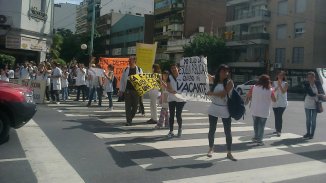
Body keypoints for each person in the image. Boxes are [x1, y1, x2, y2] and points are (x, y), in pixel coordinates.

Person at [206, 64, 236, 160]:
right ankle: (211, 148)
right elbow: (205, 76)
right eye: (223, 71)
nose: (225, 73)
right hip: (213, 107)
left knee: (227, 131)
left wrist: (212, 93)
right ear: (219, 72)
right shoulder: (214, 80)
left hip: (224, 108)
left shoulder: (230, 82)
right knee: (212, 129)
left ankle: (229, 152)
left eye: (227, 71)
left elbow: (223, 94)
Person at [246, 74, 276, 146]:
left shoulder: (253, 87)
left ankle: (256, 137)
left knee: (255, 124)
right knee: (261, 126)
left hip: (255, 109)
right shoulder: (270, 90)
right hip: (264, 111)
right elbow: (274, 100)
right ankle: (260, 140)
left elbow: (248, 95)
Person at [119, 56, 143, 126]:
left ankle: (130, 117)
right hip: (127, 90)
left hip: (136, 90)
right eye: (129, 60)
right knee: (128, 106)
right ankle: (128, 121)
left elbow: (141, 81)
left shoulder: (139, 69)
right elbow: (122, 80)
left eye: (130, 60)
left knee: (135, 106)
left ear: (134, 61)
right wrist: (121, 90)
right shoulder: (126, 69)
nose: (129, 61)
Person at [166, 64, 186, 138]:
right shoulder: (169, 77)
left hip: (181, 98)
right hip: (172, 98)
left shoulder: (183, 76)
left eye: (175, 68)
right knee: (171, 115)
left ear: (178, 68)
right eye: (172, 68)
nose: (173, 69)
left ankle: (180, 129)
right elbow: (168, 88)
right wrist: (171, 91)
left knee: (178, 114)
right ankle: (171, 131)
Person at [303, 72, 325, 139]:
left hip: (316, 104)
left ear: (314, 77)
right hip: (307, 104)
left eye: (311, 77)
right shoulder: (306, 83)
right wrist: (320, 95)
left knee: (313, 120)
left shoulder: (318, 83)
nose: (310, 79)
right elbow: (310, 93)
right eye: (309, 77)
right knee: (308, 120)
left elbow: (321, 91)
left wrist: (321, 95)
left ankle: (312, 134)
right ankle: (308, 133)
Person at [272, 70, 288, 137]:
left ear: (283, 76)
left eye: (282, 75)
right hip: (275, 102)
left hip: (282, 103)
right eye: (279, 75)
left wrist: (280, 85)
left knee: (279, 116)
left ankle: (279, 131)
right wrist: (277, 85)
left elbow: (283, 92)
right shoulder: (273, 82)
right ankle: (276, 129)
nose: (280, 76)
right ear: (277, 76)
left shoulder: (286, 83)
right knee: (276, 116)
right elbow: (272, 91)